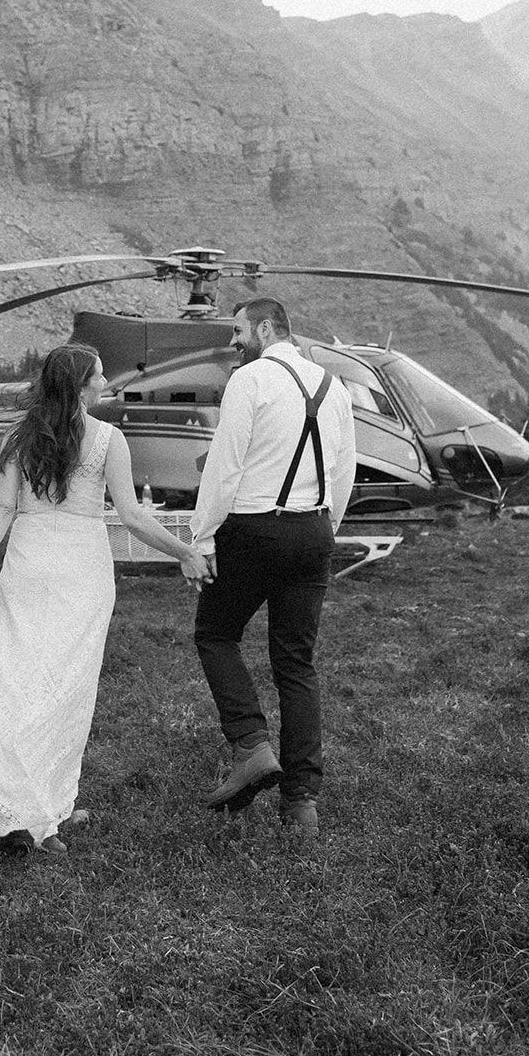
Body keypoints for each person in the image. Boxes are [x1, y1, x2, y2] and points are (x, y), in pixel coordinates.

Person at [0, 342, 212, 854]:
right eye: (100, 375)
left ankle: (34, 803)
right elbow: (131, 517)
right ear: (82, 386)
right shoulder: (110, 439)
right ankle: (38, 813)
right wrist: (185, 553)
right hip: (82, 568)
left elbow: (2, 509)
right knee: (64, 688)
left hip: (31, 561)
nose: (106, 382)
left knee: (7, 680)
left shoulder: (21, 436)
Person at [190, 297, 356, 837]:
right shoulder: (334, 387)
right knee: (296, 663)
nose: (234, 342)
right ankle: (301, 804)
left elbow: (224, 464)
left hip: (254, 529)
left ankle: (251, 747)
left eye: (238, 330)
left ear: (266, 327)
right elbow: (343, 469)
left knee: (215, 633)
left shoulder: (251, 379)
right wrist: (325, 528)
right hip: (314, 532)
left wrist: (202, 535)